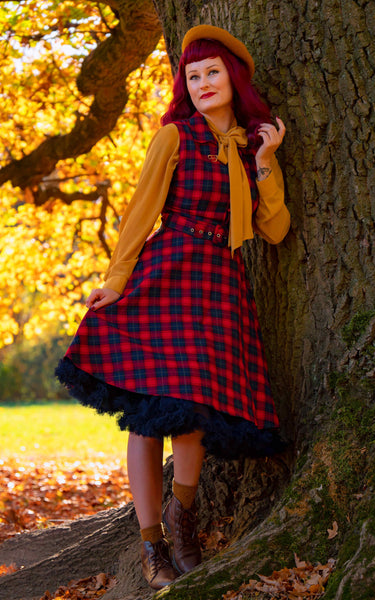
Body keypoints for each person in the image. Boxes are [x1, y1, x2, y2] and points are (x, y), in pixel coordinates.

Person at [56, 24, 290, 590]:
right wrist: (115, 280)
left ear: (234, 79)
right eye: (193, 76)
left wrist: (266, 159)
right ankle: (152, 544)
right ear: (185, 85)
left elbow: (275, 229)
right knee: (150, 416)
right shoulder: (175, 137)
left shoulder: (249, 147)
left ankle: (183, 525)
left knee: (193, 415)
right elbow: (140, 211)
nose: (204, 83)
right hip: (166, 275)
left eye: (213, 73)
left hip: (219, 287)